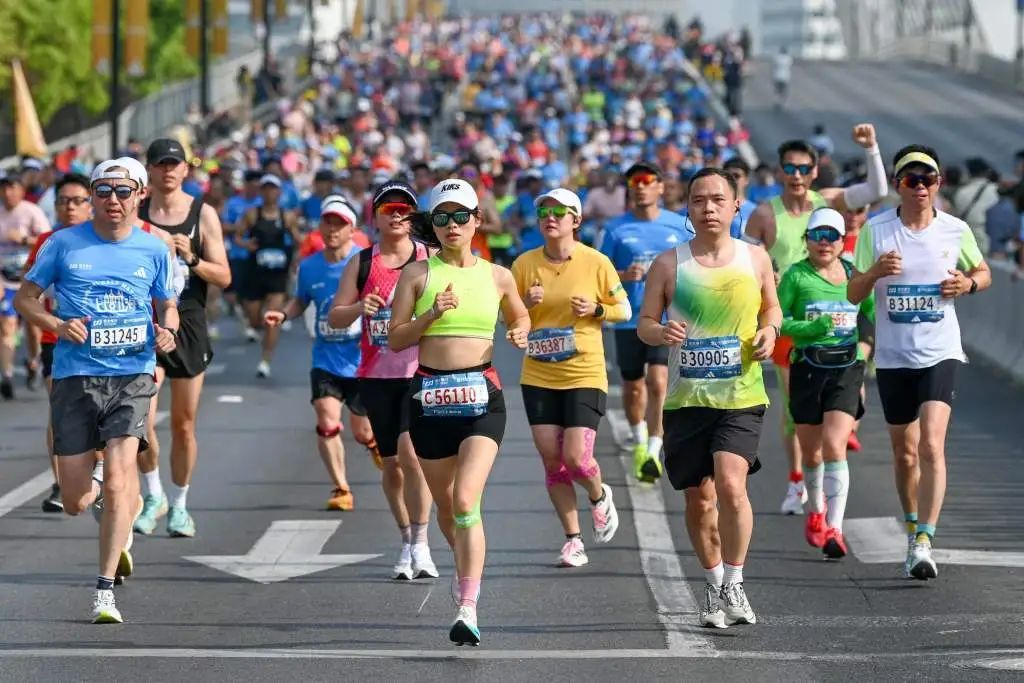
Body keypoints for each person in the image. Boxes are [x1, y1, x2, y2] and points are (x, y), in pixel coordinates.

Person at [15, 159, 179, 623]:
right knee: (75, 501)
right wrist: (56, 324)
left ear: (140, 194)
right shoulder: (62, 243)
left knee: (122, 474)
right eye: (103, 191)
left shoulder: (154, 248)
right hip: (75, 377)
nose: (113, 200)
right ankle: (108, 494)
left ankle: (104, 591)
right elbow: (25, 298)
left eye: (123, 191)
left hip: (132, 373)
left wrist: (167, 330)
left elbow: (167, 303)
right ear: (92, 195)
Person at [389, 178, 530, 645]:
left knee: (467, 500)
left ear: (477, 220)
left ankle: (468, 606)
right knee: (449, 509)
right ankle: (465, 568)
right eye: (442, 218)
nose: (452, 225)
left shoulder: (498, 275)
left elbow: (519, 313)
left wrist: (520, 330)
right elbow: (395, 339)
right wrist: (432, 314)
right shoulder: (417, 274)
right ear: (433, 224)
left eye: (460, 216)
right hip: (430, 399)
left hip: (481, 398)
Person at [638, 167, 779, 629]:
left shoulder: (755, 258)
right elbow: (644, 324)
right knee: (699, 501)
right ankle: (714, 582)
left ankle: (735, 581)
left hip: (741, 394)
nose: (708, 208)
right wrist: (661, 331)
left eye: (718, 199)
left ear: (736, 205)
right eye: (698, 200)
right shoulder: (669, 264)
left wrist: (770, 331)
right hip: (687, 400)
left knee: (731, 485)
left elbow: (771, 307)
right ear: (688, 208)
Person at [848, 145, 991, 580]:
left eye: (928, 179)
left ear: (938, 184)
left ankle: (926, 539)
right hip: (894, 356)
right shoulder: (876, 230)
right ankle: (912, 529)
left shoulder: (954, 230)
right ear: (899, 186)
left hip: (940, 350)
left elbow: (983, 272)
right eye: (912, 180)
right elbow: (853, 293)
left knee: (930, 444)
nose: (921, 187)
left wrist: (967, 284)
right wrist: (875, 273)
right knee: (905, 451)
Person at [745, 124, 887, 515]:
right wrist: (765, 279)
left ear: (814, 171)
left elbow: (876, 190)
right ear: (779, 171)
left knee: (832, 406)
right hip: (789, 317)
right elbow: (745, 263)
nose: (796, 176)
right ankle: (797, 481)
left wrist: (872, 148)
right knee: (796, 409)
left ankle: (826, 466)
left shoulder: (828, 201)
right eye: (789, 169)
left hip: (835, 315)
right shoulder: (764, 215)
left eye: (803, 169)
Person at [328, 181, 439, 581]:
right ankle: (406, 538)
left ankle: (422, 543)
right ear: (374, 217)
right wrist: (361, 307)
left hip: (421, 373)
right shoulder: (361, 263)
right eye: (388, 208)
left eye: (403, 209)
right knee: (391, 464)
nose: (396, 215)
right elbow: (335, 316)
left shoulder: (430, 258)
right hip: (376, 376)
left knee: (413, 456)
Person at [511, 188, 624, 567]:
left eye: (559, 212)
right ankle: (573, 540)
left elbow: (624, 309)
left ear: (576, 220)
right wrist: (524, 307)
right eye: (544, 211)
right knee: (552, 460)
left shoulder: (596, 262)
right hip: (539, 374)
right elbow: (506, 316)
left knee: (576, 458)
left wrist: (597, 309)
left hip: (583, 372)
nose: (550, 218)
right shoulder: (524, 264)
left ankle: (598, 494)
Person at [134, 139, 231, 538]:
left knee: (183, 424)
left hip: (188, 321)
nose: (168, 171)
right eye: (160, 164)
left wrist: (191, 257)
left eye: (174, 164)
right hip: (145, 321)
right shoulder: (136, 211)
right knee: (140, 418)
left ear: (185, 170)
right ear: (149, 170)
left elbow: (224, 276)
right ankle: (154, 495)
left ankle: (180, 504)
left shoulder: (201, 213)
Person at [263, 197, 373, 510]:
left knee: (363, 431)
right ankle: (341, 488)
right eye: (328, 222)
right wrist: (284, 314)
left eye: (340, 224)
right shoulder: (309, 267)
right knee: (326, 420)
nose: (333, 229)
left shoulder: (365, 263)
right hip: (326, 359)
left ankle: (373, 442)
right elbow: (301, 299)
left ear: (352, 229)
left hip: (362, 361)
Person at [778, 208, 874, 559]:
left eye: (831, 236)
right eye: (817, 236)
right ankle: (816, 510)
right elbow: (776, 320)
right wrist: (809, 329)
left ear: (841, 241)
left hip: (846, 368)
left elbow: (871, 314)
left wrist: (865, 348)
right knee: (813, 452)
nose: (824, 242)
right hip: (807, 367)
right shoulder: (796, 275)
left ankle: (835, 527)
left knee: (835, 445)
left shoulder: (853, 274)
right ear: (807, 240)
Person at [599, 161, 693, 483]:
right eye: (634, 182)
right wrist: (624, 275)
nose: (640, 187)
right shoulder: (615, 229)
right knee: (634, 387)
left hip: (667, 318)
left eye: (647, 180)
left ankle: (653, 448)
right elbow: (599, 273)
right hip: (629, 319)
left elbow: (696, 264)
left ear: (660, 187)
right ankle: (639, 436)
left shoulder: (679, 225)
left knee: (658, 380)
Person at [24, 173, 94, 512]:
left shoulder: (103, 240)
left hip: (100, 342)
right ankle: (60, 482)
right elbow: (28, 297)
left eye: (78, 201)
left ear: (91, 204)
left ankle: (97, 474)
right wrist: (38, 343)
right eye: (64, 201)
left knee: (96, 414)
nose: (70, 208)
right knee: (60, 410)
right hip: (58, 338)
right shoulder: (46, 242)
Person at [236, 174, 301, 377]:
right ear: (261, 192)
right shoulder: (252, 215)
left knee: (272, 317)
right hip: (255, 272)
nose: (269, 192)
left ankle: (265, 360)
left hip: (277, 274)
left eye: (273, 188)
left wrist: (296, 259)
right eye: (265, 188)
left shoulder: (287, 216)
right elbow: (237, 236)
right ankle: (253, 325)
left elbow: (298, 240)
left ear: (279, 192)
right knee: (255, 318)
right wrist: (246, 244)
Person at [0, 170, 51, 398]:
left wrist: (23, 239)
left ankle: (33, 361)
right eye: (4, 188)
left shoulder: (32, 212)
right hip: (5, 280)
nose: (7, 193)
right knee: (7, 325)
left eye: (12, 188)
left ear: (21, 190)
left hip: (30, 279)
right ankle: (7, 376)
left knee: (32, 327)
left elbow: (47, 241)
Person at [723, 158, 758, 239]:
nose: (732, 180)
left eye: (736, 176)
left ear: (746, 180)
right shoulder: (714, 208)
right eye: (728, 176)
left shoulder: (756, 212)